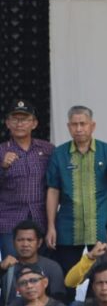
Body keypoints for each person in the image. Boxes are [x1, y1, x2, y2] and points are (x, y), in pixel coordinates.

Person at [44, 105, 107, 274]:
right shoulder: (59, 154)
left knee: (103, 276)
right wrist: (51, 226)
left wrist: (102, 206)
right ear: (68, 127)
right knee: (67, 277)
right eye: (74, 124)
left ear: (92, 126)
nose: (79, 129)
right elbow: (53, 190)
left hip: (101, 227)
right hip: (67, 227)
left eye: (83, 124)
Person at [0, 99, 54, 259]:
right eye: (15, 119)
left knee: (42, 268)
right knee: (12, 268)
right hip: (9, 221)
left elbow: (56, 184)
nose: (19, 123)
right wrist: (3, 167)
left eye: (24, 119)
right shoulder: (1, 151)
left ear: (34, 123)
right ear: (7, 123)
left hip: (42, 219)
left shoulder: (48, 149)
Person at [1, 219, 67, 306]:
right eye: (20, 240)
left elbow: (59, 302)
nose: (25, 244)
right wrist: (1, 269)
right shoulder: (7, 265)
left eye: (30, 240)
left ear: (39, 243)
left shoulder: (52, 267)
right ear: (13, 242)